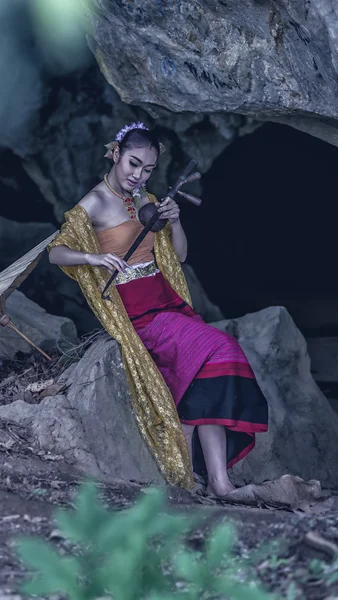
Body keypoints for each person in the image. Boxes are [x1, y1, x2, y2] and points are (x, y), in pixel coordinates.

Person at [48, 122, 268, 496]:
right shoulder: (95, 202)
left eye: (148, 169)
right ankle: (197, 463)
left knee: (207, 371)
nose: (138, 175)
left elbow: (178, 256)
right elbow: (55, 252)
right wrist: (94, 255)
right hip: (138, 311)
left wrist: (176, 220)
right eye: (133, 164)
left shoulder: (147, 200)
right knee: (220, 348)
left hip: (166, 299)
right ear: (116, 154)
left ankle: (219, 482)